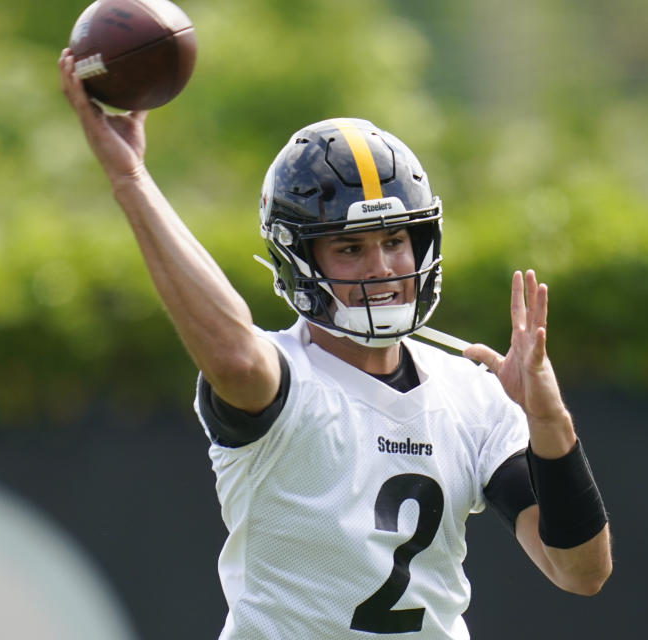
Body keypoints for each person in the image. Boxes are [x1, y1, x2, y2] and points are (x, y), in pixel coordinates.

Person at [59, 49, 612, 639]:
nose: (383, 267)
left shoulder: (470, 393)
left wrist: (548, 420)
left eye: (395, 239)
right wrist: (131, 180)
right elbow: (236, 356)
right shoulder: (286, 382)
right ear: (300, 261)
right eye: (350, 248)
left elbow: (581, 572)